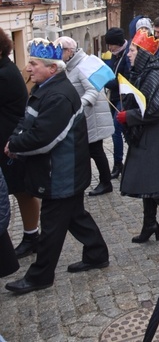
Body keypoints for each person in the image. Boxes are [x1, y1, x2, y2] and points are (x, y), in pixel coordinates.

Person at [4, 39, 109, 294]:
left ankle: (40, 276)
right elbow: (27, 120)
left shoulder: (58, 95)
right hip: (64, 170)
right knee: (75, 215)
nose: (28, 68)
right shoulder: (46, 89)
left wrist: (14, 145)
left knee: (51, 225)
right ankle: (96, 253)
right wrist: (15, 137)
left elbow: (45, 137)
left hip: (61, 171)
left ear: (52, 69)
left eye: (33, 63)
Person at [117, 29, 159, 245]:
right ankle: (150, 225)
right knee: (148, 183)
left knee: (154, 185)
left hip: (155, 134)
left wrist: (130, 116)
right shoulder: (142, 72)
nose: (129, 54)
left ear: (144, 53)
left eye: (133, 50)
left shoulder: (156, 74)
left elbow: (156, 110)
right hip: (146, 133)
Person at [55, 37, 115, 197]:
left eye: (59, 51)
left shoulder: (82, 66)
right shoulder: (70, 66)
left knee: (95, 150)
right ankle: (94, 181)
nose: (56, 54)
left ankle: (105, 182)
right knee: (89, 151)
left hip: (91, 118)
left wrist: (76, 107)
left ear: (69, 51)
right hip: (85, 118)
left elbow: (92, 91)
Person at [0, 27, 39, 259]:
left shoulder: (5, 73)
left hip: (10, 142)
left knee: (22, 191)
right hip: (9, 140)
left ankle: (32, 236)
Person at [103, 27, 131, 181]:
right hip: (114, 97)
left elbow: (125, 81)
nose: (109, 48)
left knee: (117, 130)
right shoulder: (115, 55)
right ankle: (118, 163)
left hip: (124, 98)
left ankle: (119, 163)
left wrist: (108, 82)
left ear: (118, 43)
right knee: (117, 131)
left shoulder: (127, 55)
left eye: (111, 44)